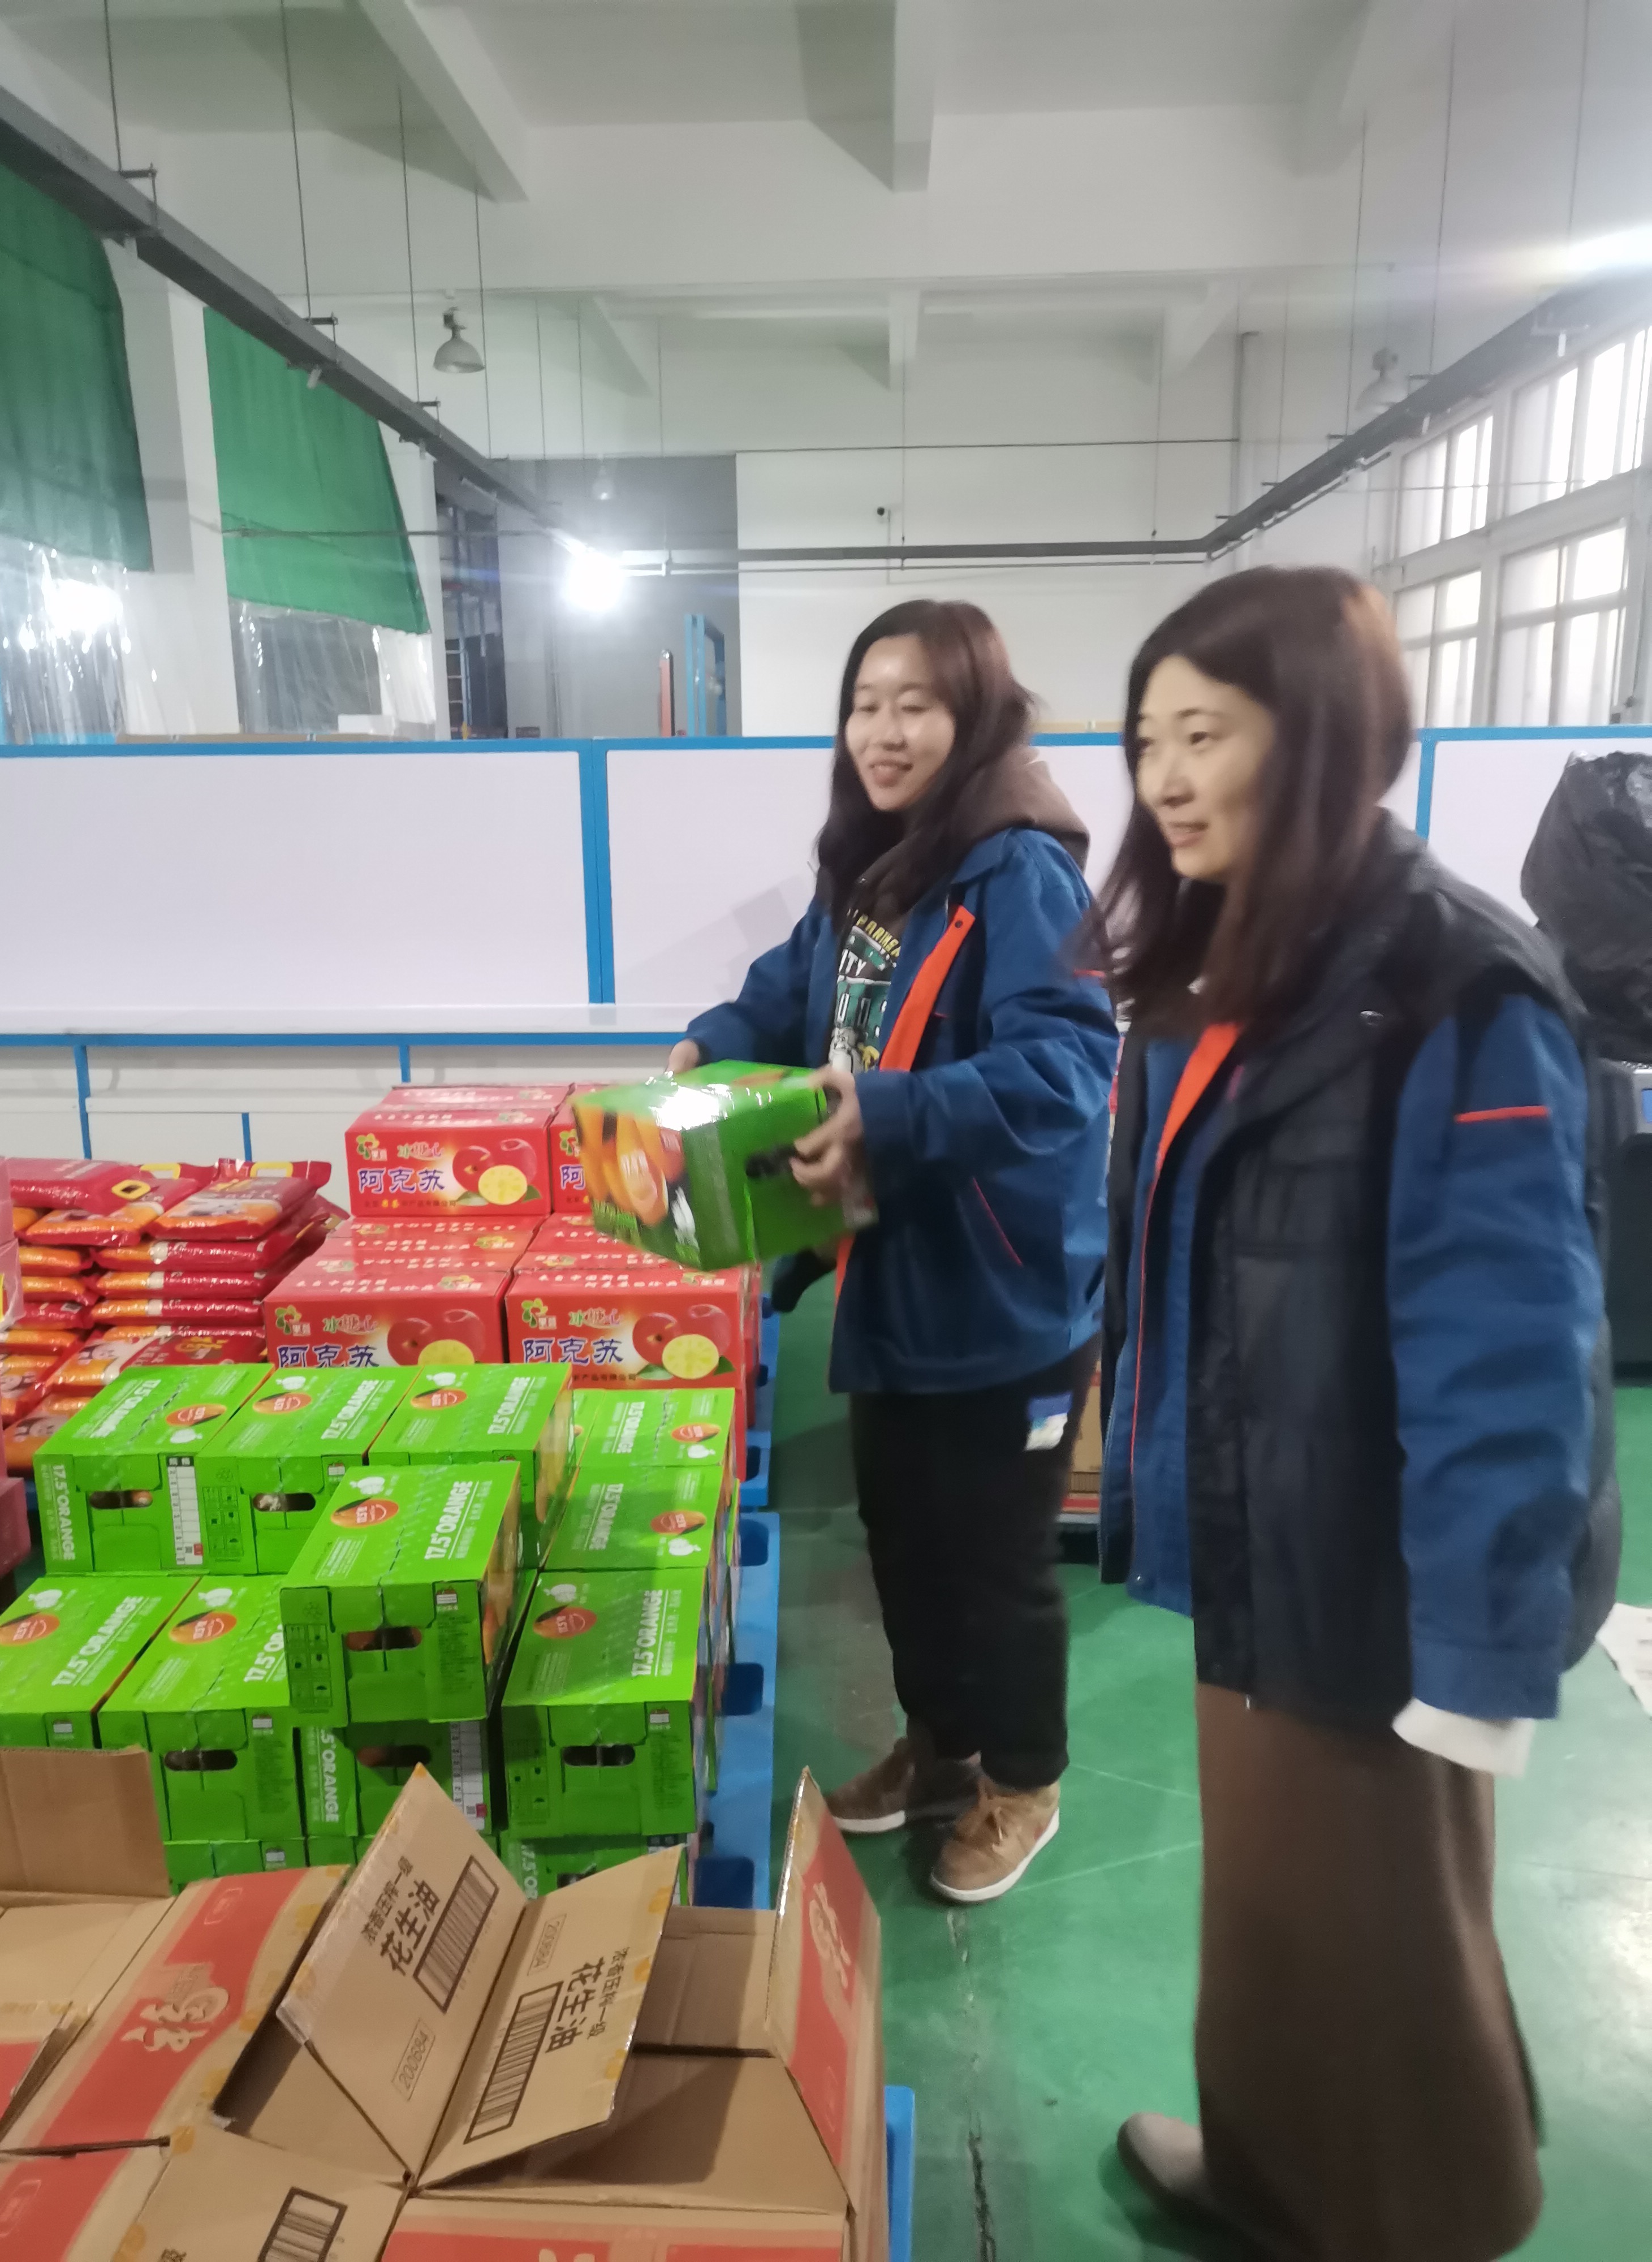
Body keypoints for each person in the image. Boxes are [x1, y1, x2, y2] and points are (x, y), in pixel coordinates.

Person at [1096, 566, 1619, 2261]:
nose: (1166, 779)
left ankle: (1419, 2222)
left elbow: (1507, 1355)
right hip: (1262, 1530)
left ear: (1322, 736)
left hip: (1377, 1582)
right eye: (1148, 739)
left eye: (1207, 734)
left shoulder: (1453, 985)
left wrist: (1477, 1661)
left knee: (1385, 1941)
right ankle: (1271, 2177)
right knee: (1271, 1917)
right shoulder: (1237, 954)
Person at [671, 598, 1117, 1903]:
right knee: (906, 1542)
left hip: (1005, 1289)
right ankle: (939, 1750)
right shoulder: (877, 867)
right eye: (865, 703)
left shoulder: (1020, 872)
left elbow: (1068, 1063)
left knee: (998, 1566)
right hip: (892, 1275)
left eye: (916, 703)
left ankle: (1023, 1781)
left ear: (975, 717)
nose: (884, 729)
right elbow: (796, 984)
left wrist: (891, 1110)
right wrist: (713, 1038)